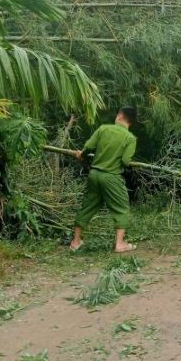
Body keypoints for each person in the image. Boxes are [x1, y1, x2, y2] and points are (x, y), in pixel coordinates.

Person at [70, 106, 138, 253]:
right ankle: (120, 244)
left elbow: (88, 147)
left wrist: (82, 154)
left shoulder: (103, 129)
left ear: (119, 116)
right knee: (121, 208)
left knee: (87, 206)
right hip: (111, 177)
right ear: (131, 122)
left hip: (94, 174)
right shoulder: (130, 138)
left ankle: (75, 242)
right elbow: (125, 161)